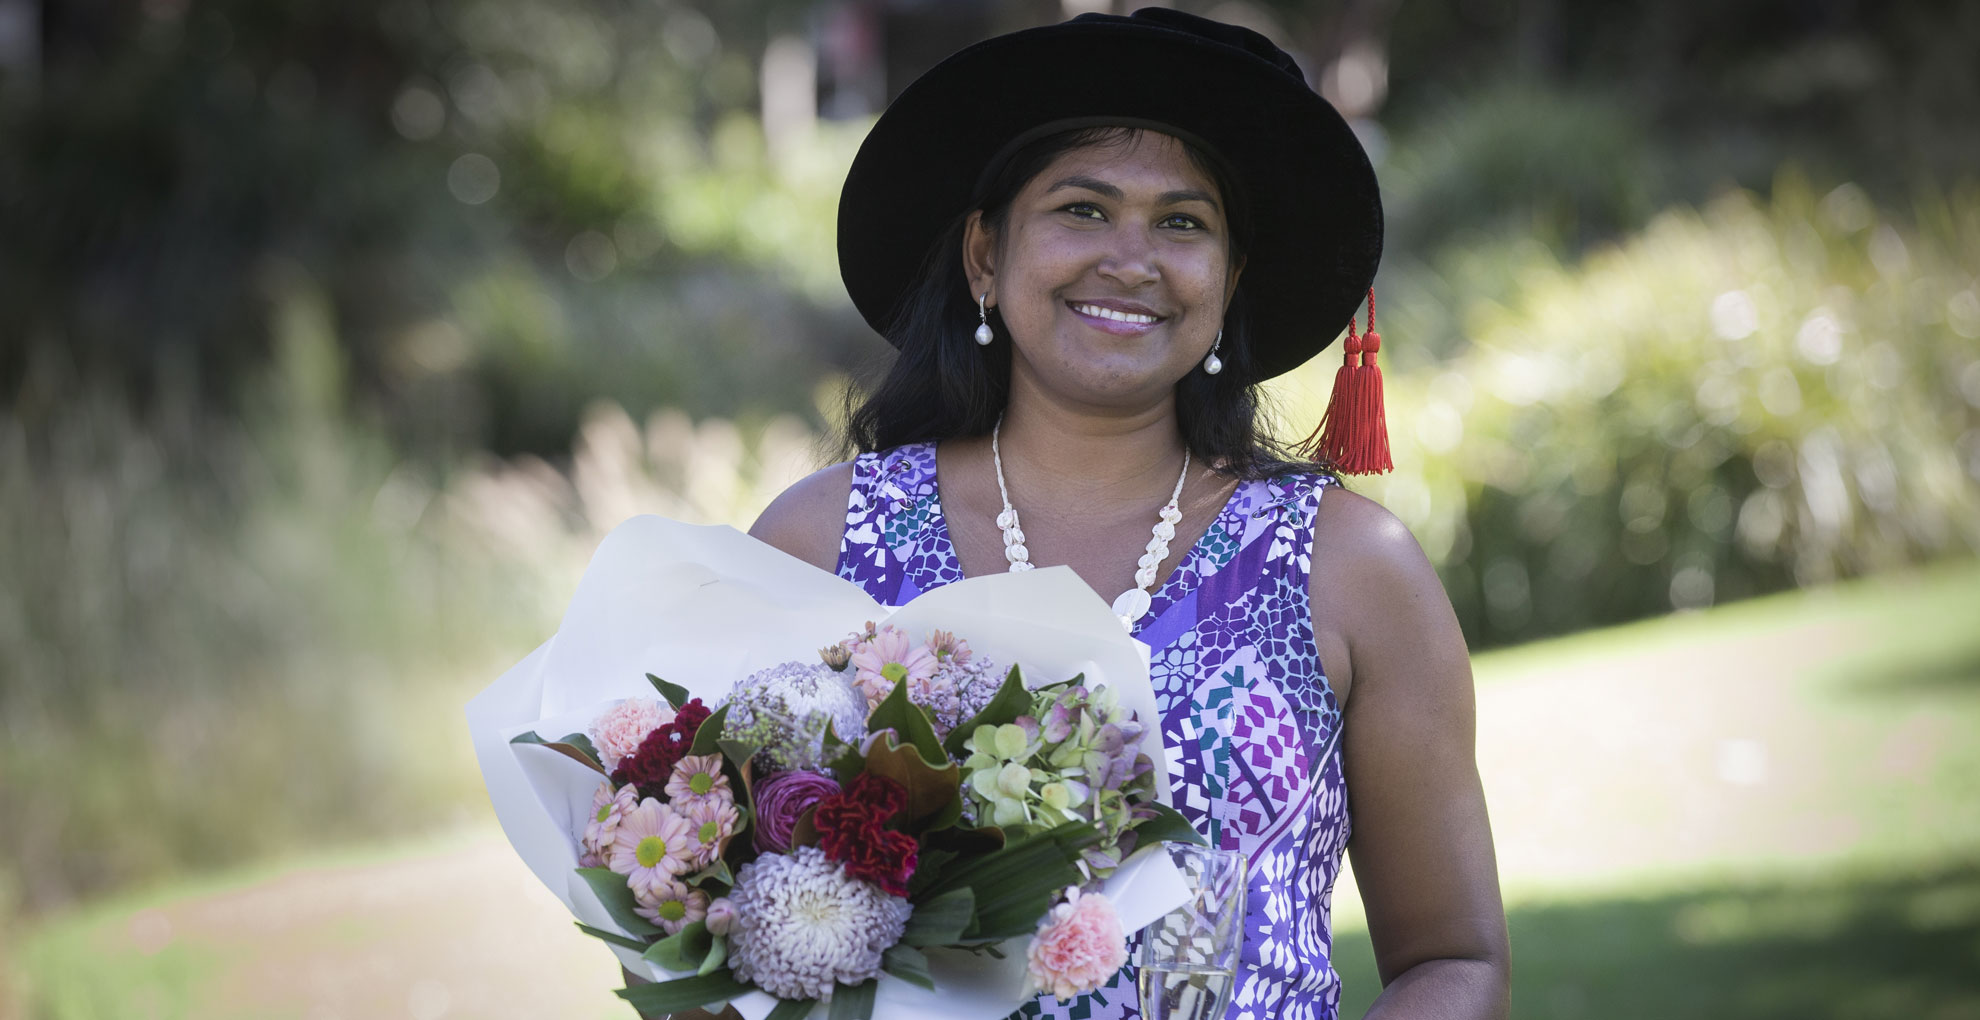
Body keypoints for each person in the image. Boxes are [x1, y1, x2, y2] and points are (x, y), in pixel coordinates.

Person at [731, 9, 1506, 1020]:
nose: (1132, 260)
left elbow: (1453, 959)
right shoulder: (819, 543)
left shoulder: (1350, 568)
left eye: (1184, 222)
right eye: (1082, 209)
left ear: (1228, 281)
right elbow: (728, 916)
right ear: (983, 256)